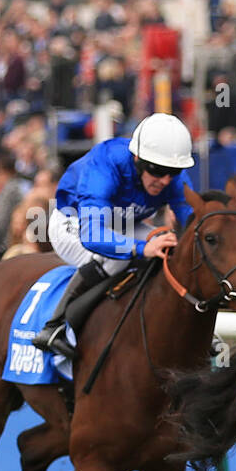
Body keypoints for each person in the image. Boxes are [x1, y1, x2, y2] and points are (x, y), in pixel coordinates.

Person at [32, 113, 196, 359]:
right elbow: (93, 236)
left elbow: (191, 224)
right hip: (74, 221)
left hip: (124, 223)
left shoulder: (171, 175)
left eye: (173, 172)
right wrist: (141, 249)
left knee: (169, 246)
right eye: (158, 170)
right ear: (138, 158)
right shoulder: (106, 163)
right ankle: (54, 325)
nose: (165, 180)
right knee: (118, 257)